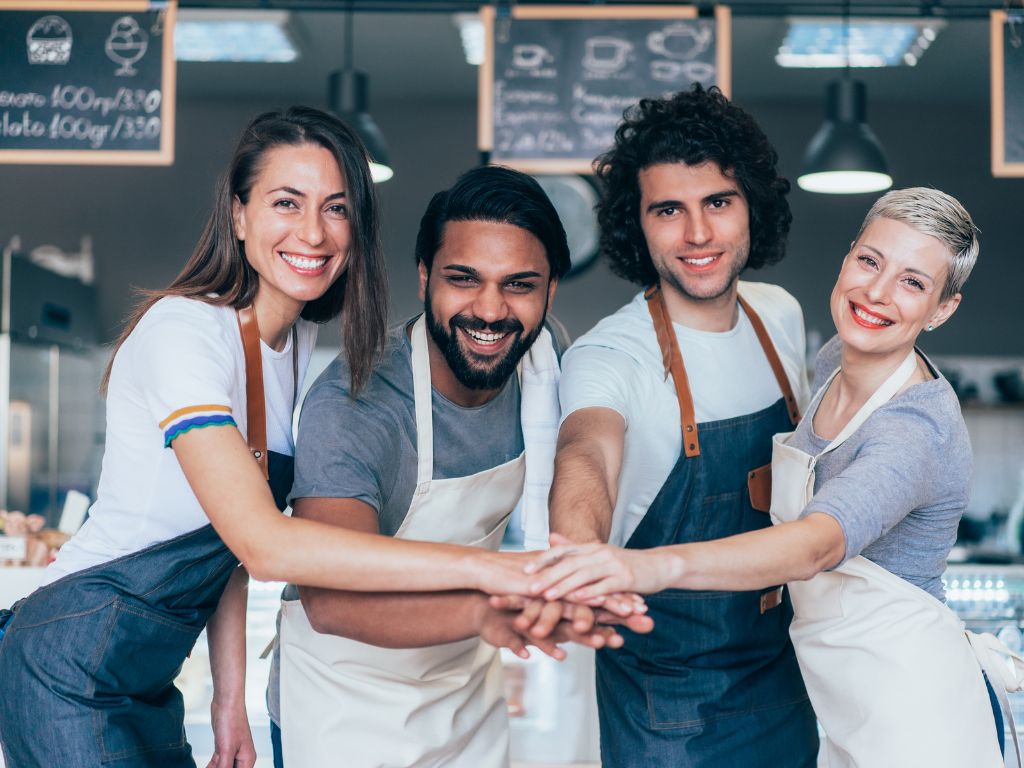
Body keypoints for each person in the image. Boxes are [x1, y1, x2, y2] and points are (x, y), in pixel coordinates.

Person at [0, 109, 561, 768]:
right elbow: (265, 545)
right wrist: (491, 572)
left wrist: (227, 702)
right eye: (285, 203)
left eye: (336, 208)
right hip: (67, 659)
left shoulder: (290, 346)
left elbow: (227, 548)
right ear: (239, 216)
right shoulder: (183, 332)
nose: (312, 233)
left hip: (147, 680)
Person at [530, 187, 1015, 767]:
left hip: (915, 720)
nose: (877, 292)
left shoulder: (914, 429)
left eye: (913, 282)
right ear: (848, 256)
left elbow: (816, 543)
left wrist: (646, 565)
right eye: (870, 261)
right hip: (841, 708)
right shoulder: (836, 359)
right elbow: (585, 449)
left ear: (942, 309)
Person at [270, 165, 650, 768]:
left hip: (465, 698)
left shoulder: (542, 364)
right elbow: (331, 600)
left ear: (551, 291)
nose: (491, 310)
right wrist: (487, 608)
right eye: (463, 279)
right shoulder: (358, 403)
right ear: (425, 278)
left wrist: (570, 579)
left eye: (519, 284)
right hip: (345, 709)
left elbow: (584, 454)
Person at [541, 85, 819, 767]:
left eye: (717, 203)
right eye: (669, 210)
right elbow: (585, 456)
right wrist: (580, 556)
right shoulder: (612, 355)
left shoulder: (777, 315)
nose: (698, 235)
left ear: (752, 205)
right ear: (638, 225)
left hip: (790, 680)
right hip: (669, 715)